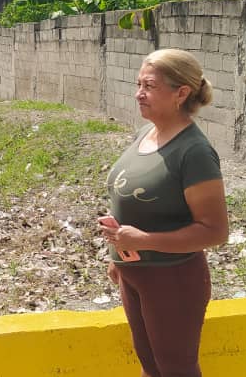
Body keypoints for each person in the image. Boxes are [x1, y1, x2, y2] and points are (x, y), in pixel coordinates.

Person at [98, 48, 229, 377]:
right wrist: (118, 255)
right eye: (138, 84)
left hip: (173, 279)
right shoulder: (147, 133)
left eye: (149, 86)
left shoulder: (194, 152)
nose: (138, 94)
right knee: (151, 367)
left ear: (181, 93)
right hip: (135, 274)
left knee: (176, 370)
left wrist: (144, 240)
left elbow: (214, 231)